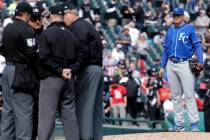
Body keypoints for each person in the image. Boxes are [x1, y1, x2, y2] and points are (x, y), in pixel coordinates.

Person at [38, 4, 79, 140]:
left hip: (52, 78)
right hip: (69, 78)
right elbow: (79, 58)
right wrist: (69, 70)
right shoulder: (72, 34)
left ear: (51, 16)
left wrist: (60, 70)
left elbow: (43, 58)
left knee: (47, 115)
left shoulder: (47, 33)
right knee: (69, 115)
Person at [159, 7, 204, 132]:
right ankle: (179, 125)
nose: (176, 17)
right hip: (171, 64)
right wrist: (162, 66)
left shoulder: (190, 29)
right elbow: (165, 51)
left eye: (178, 15)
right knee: (175, 96)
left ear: (183, 16)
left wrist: (200, 61)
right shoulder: (170, 31)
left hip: (185, 63)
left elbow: (197, 46)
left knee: (189, 95)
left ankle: (194, 124)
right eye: (174, 15)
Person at [63, 3, 104, 140]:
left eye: (64, 16)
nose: (63, 19)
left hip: (88, 70)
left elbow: (82, 52)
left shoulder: (78, 27)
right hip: (96, 69)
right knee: (95, 110)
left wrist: (73, 70)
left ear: (69, 13)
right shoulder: (87, 25)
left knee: (84, 108)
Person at [1, 2, 37, 140]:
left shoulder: (8, 28)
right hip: (21, 71)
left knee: (8, 111)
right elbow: (32, 54)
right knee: (23, 111)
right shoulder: (27, 29)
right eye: (30, 15)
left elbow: (2, 49)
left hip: (7, 69)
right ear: (26, 14)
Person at [28, 6, 43, 140]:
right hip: (27, 78)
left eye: (39, 18)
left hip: (41, 79)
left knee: (39, 112)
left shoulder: (46, 34)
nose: (38, 21)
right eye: (34, 19)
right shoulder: (26, 33)